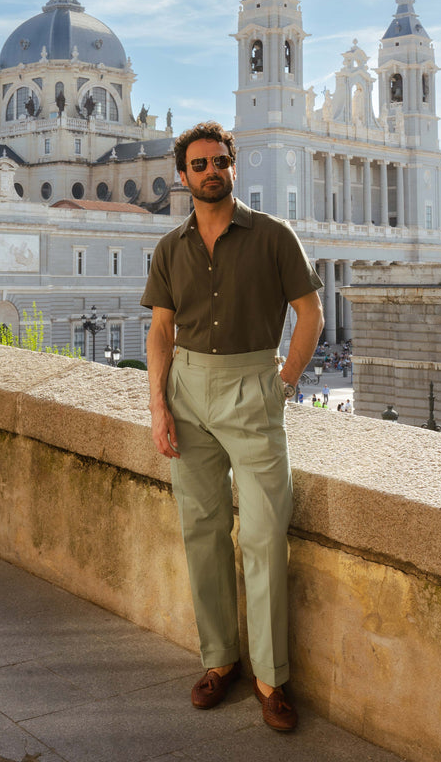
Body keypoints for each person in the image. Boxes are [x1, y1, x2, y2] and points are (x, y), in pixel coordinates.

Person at [142, 121, 323, 733]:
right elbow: (161, 331)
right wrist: (158, 406)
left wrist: (287, 378)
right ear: (183, 175)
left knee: (266, 535)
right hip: (187, 392)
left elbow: (309, 314)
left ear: (233, 167)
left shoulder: (275, 236)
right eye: (199, 164)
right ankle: (219, 662)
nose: (211, 170)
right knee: (202, 529)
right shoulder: (169, 248)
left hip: (254, 388)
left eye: (220, 161)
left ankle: (272, 679)